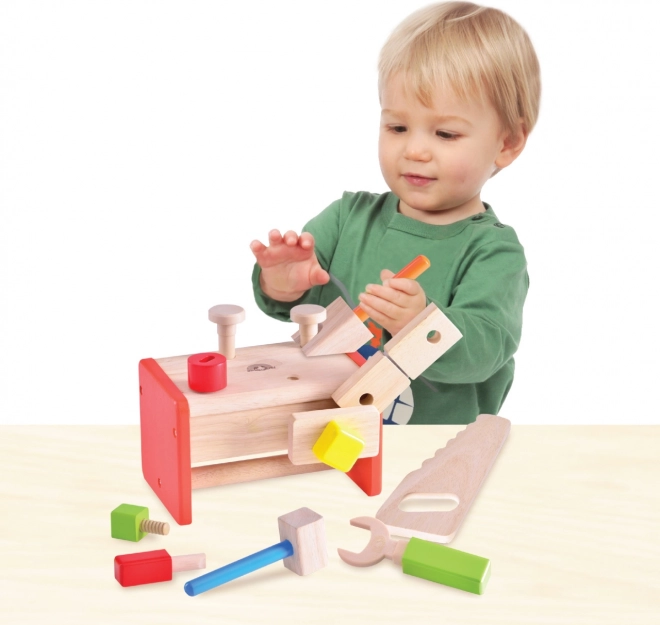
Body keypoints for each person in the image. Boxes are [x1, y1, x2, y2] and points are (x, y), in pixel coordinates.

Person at [249, 2, 541, 424]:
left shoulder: (493, 252)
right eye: (397, 127)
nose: (415, 150)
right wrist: (282, 286)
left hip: (432, 445)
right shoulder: (345, 218)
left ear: (507, 144)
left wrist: (420, 326)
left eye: (445, 133)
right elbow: (300, 314)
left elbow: (486, 351)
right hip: (329, 426)